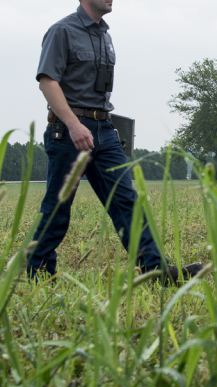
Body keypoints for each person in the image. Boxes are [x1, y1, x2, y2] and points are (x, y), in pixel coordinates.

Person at [29, 0, 202, 283]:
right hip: (70, 131)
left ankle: (155, 271)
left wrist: (102, 126)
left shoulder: (105, 35)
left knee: (127, 202)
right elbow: (47, 82)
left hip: (105, 128)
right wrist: (73, 125)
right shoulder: (62, 31)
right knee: (57, 207)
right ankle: (38, 273)